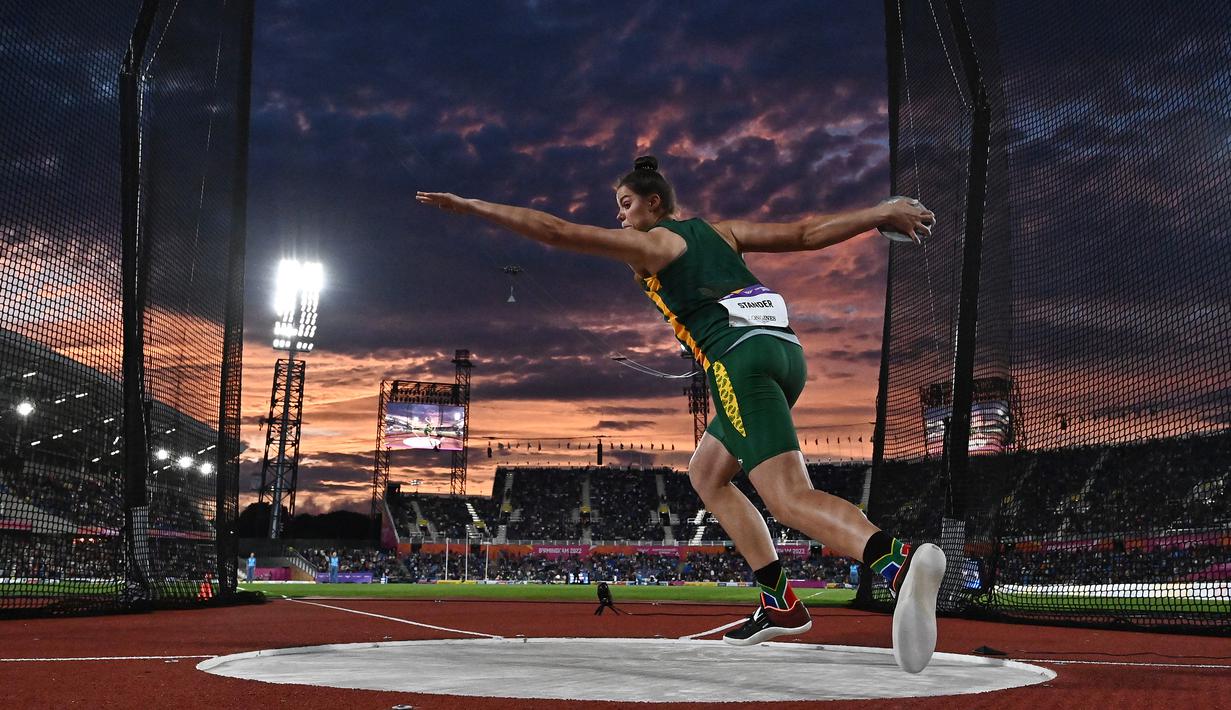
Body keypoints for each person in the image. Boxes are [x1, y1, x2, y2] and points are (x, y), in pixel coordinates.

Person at [417, 156, 946, 673]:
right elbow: (807, 234)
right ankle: (780, 602)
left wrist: (472, 205)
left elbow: (554, 231)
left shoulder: (653, 245)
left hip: (738, 363)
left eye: (625, 205)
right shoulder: (724, 233)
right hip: (785, 355)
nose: (619, 217)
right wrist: (877, 213)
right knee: (707, 473)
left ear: (654, 204)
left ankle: (895, 562)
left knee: (787, 497)